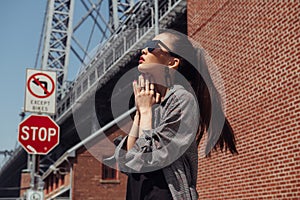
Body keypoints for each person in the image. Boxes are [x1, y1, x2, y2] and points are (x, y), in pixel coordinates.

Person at [114, 30, 238, 200]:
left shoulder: (183, 100)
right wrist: (139, 113)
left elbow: (146, 158)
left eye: (152, 47)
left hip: (165, 193)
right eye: (144, 46)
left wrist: (145, 111)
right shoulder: (153, 102)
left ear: (172, 62)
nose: (144, 50)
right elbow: (129, 160)